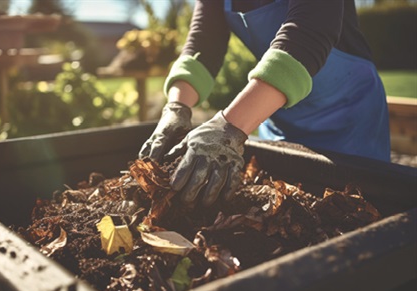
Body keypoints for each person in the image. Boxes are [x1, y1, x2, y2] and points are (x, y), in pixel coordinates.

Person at [139, 0, 390, 207]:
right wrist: (176, 108)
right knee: (284, 210)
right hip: (275, 108)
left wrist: (227, 129)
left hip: (348, 114)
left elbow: (309, 33)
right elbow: (203, 43)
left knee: (355, 210)